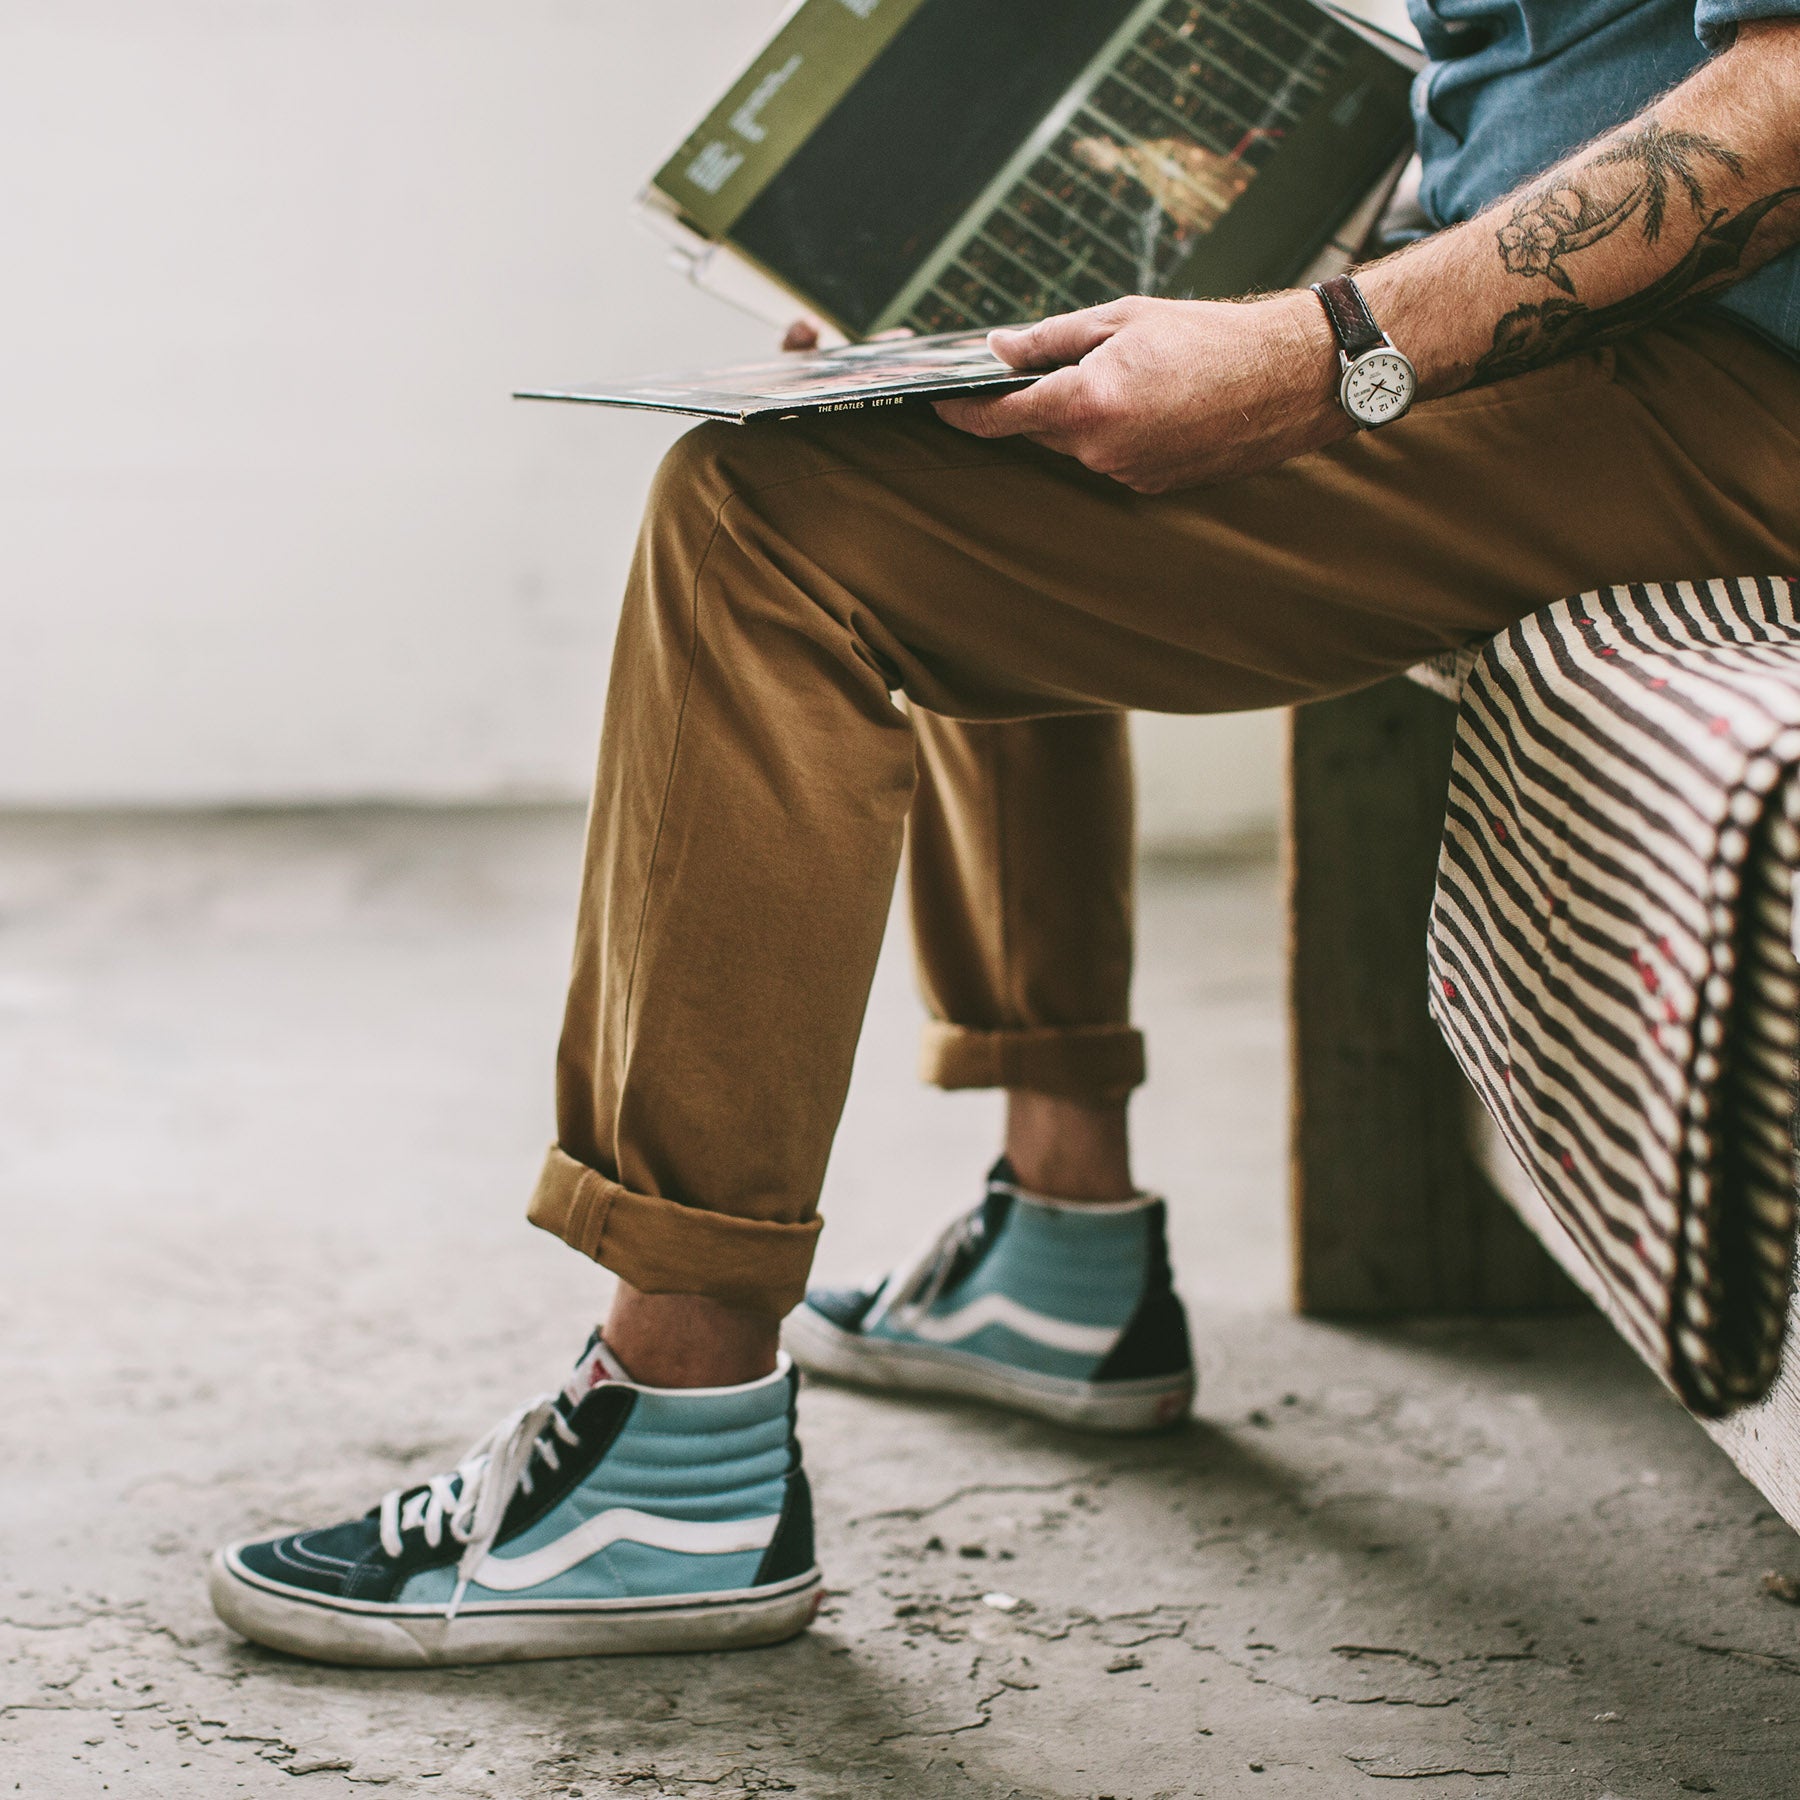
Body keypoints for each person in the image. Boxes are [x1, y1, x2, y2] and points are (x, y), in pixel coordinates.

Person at [209, 1, 1800, 1667]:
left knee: (772, 527)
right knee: (979, 399)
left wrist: (1328, 348)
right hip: (1620, 334)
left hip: (1739, 379)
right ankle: (1060, 1246)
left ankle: (669, 1461)